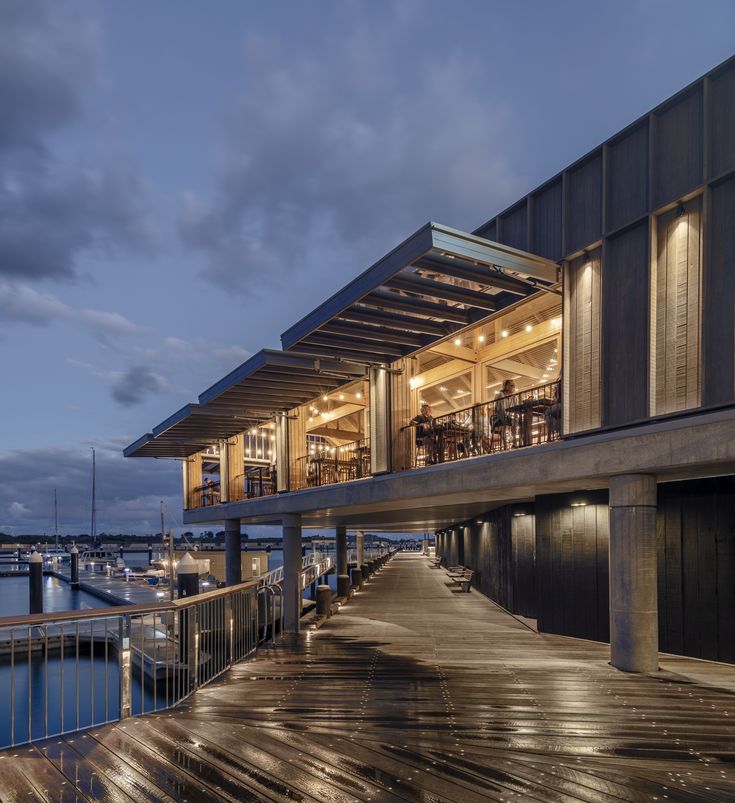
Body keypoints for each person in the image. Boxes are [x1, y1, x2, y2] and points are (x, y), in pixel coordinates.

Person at [491, 379, 517, 448]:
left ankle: (514, 442)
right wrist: (509, 415)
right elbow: (501, 409)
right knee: (507, 423)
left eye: (513, 386)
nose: (513, 387)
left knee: (516, 421)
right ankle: (505, 445)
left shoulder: (512, 396)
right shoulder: (500, 394)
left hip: (506, 416)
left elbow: (513, 408)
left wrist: (511, 415)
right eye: (511, 385)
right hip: (497, 417)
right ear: (506, 386)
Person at [544, 375, 562, 440]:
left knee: (547, 413)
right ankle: (559, 431)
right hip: (562, 404)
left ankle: (553, 430)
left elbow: (558, 398)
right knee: (557, 415)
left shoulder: (560, 384)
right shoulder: (561, 384)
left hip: (562, 404)